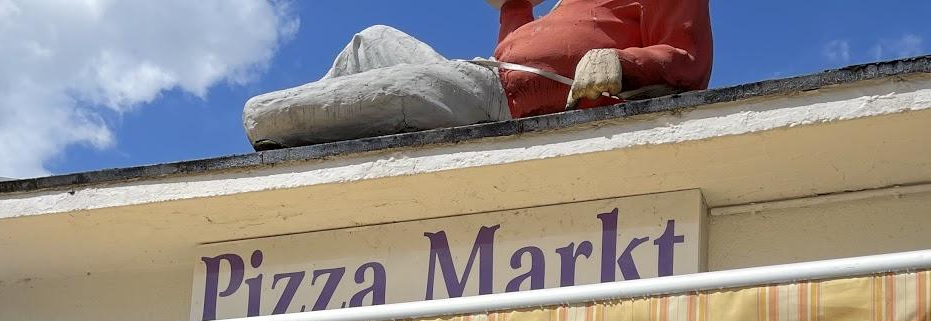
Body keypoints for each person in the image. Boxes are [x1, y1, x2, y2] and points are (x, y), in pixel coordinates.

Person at [242, 0, 713, 150]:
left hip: (500, 97)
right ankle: (315, 152)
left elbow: (688, 60)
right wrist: (515, 6)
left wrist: (623, 63)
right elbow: (511, 52)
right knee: (371, 38)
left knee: (260, 114)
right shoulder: (565, 6)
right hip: (482, 78)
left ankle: (284, 132)